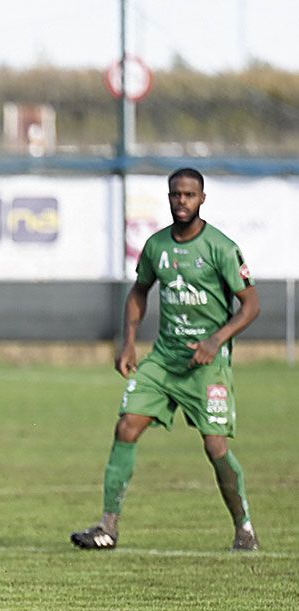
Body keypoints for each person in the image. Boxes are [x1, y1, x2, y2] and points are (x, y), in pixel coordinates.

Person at [71, 168, 261, 552]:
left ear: (202, 199)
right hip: (165, 359)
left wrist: (215, 340)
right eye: (176, 195)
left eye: (190, 195)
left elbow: (252, 305)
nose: (182, 202)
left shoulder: (220, 248)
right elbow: (139, 292)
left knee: (215, 448)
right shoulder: (157, 246)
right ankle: (108, 527)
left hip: (207, 365)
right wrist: (128, 342)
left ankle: (244, 528)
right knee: (126, 427)